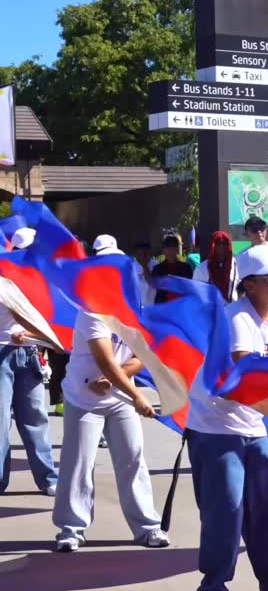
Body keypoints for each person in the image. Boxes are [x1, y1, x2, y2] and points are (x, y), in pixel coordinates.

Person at [186, 246, 268, 591]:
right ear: (250, 285)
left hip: (253, 423)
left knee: (263, 503)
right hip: (216, 425)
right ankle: (213, 589)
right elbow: (243, 379)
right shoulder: (236, 320)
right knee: (228, 507)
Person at [53, 235, 169, 552]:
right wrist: (137, 396)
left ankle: (148, 527)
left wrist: (117, 383)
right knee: (79, 462)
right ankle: (71, 529)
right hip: (84, 398)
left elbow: (140, 355)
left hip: (117, 397)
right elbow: (105, 357)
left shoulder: (132, 309)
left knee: (132, 458)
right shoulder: (90, 310)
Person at [0, 226, 58, 496]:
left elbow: (50, 320)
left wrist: (37, 336)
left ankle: (48, 478)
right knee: (1, 423)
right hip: (2, 355)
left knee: (35, 419)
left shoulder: (41, 281)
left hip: (31, 354)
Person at [194, 231, 239, 302]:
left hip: (232, 309)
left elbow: (242, 289)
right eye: (219, 243)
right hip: (211, 309)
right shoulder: (202, 268)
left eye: (225, 243)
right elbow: (197, 292)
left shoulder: (236, 265)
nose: (222, 246)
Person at [150, 232, 193, 303]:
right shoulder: (158, 269)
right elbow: (153, 285)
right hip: (163, 308)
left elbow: (190, 288)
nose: (171, 249)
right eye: (168, 246)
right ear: (163, 249)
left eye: (174, 246)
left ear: (177, 249)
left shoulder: (186, 268)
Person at [132, 240, 156, 307]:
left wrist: (145, 266)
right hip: (136, 308)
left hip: (152, 307)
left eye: (146, 252)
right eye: (141, 254)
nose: (144, 256)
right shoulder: (130, 267)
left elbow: (152, 283)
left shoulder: (156, 265)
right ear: (135, 254)